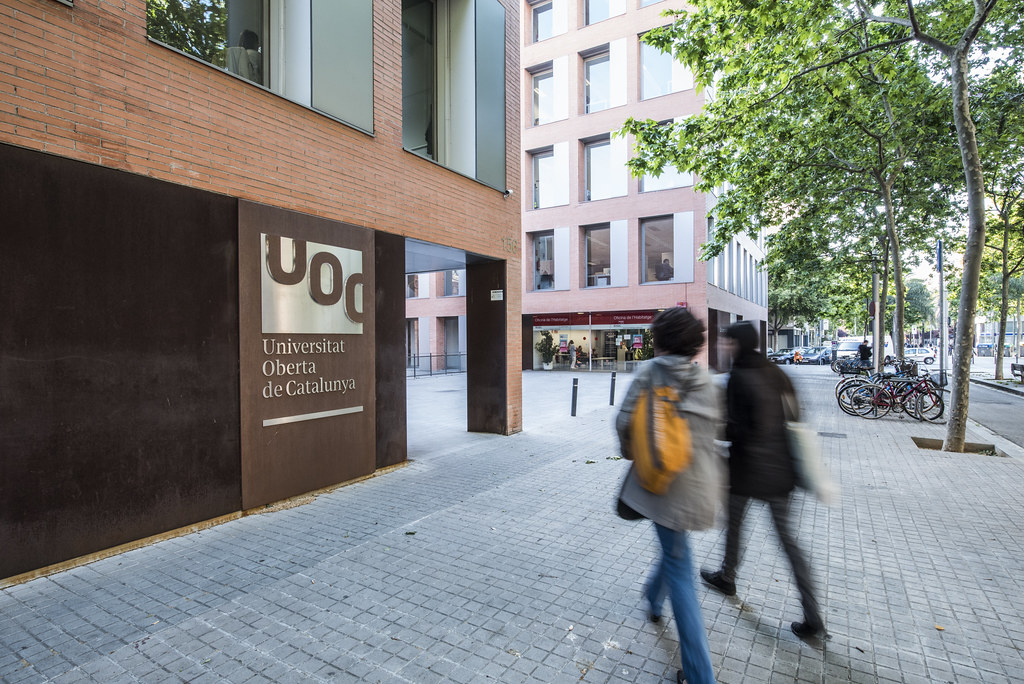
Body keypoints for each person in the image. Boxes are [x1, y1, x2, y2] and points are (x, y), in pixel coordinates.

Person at [700, 321, 824, 639]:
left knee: (735, 526)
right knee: (788, 542)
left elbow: (736, 429)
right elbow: (796, 417)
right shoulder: (777, 372)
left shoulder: (738, 377)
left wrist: (710, 429)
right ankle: (813, 615)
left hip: (745, 471)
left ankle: (728, 576)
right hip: (781, 471)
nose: (722, 347)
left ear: (737, 344)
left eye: (726, 342)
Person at [616, 308, 721, 684]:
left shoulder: (649, 373)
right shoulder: (706, 379)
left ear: (660, 341)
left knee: (681, 571)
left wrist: (633, 452)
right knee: (675, 550)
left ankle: (700, 675)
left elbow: (624, 423)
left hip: (662, 488)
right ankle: (652, 597)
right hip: (699, 486)